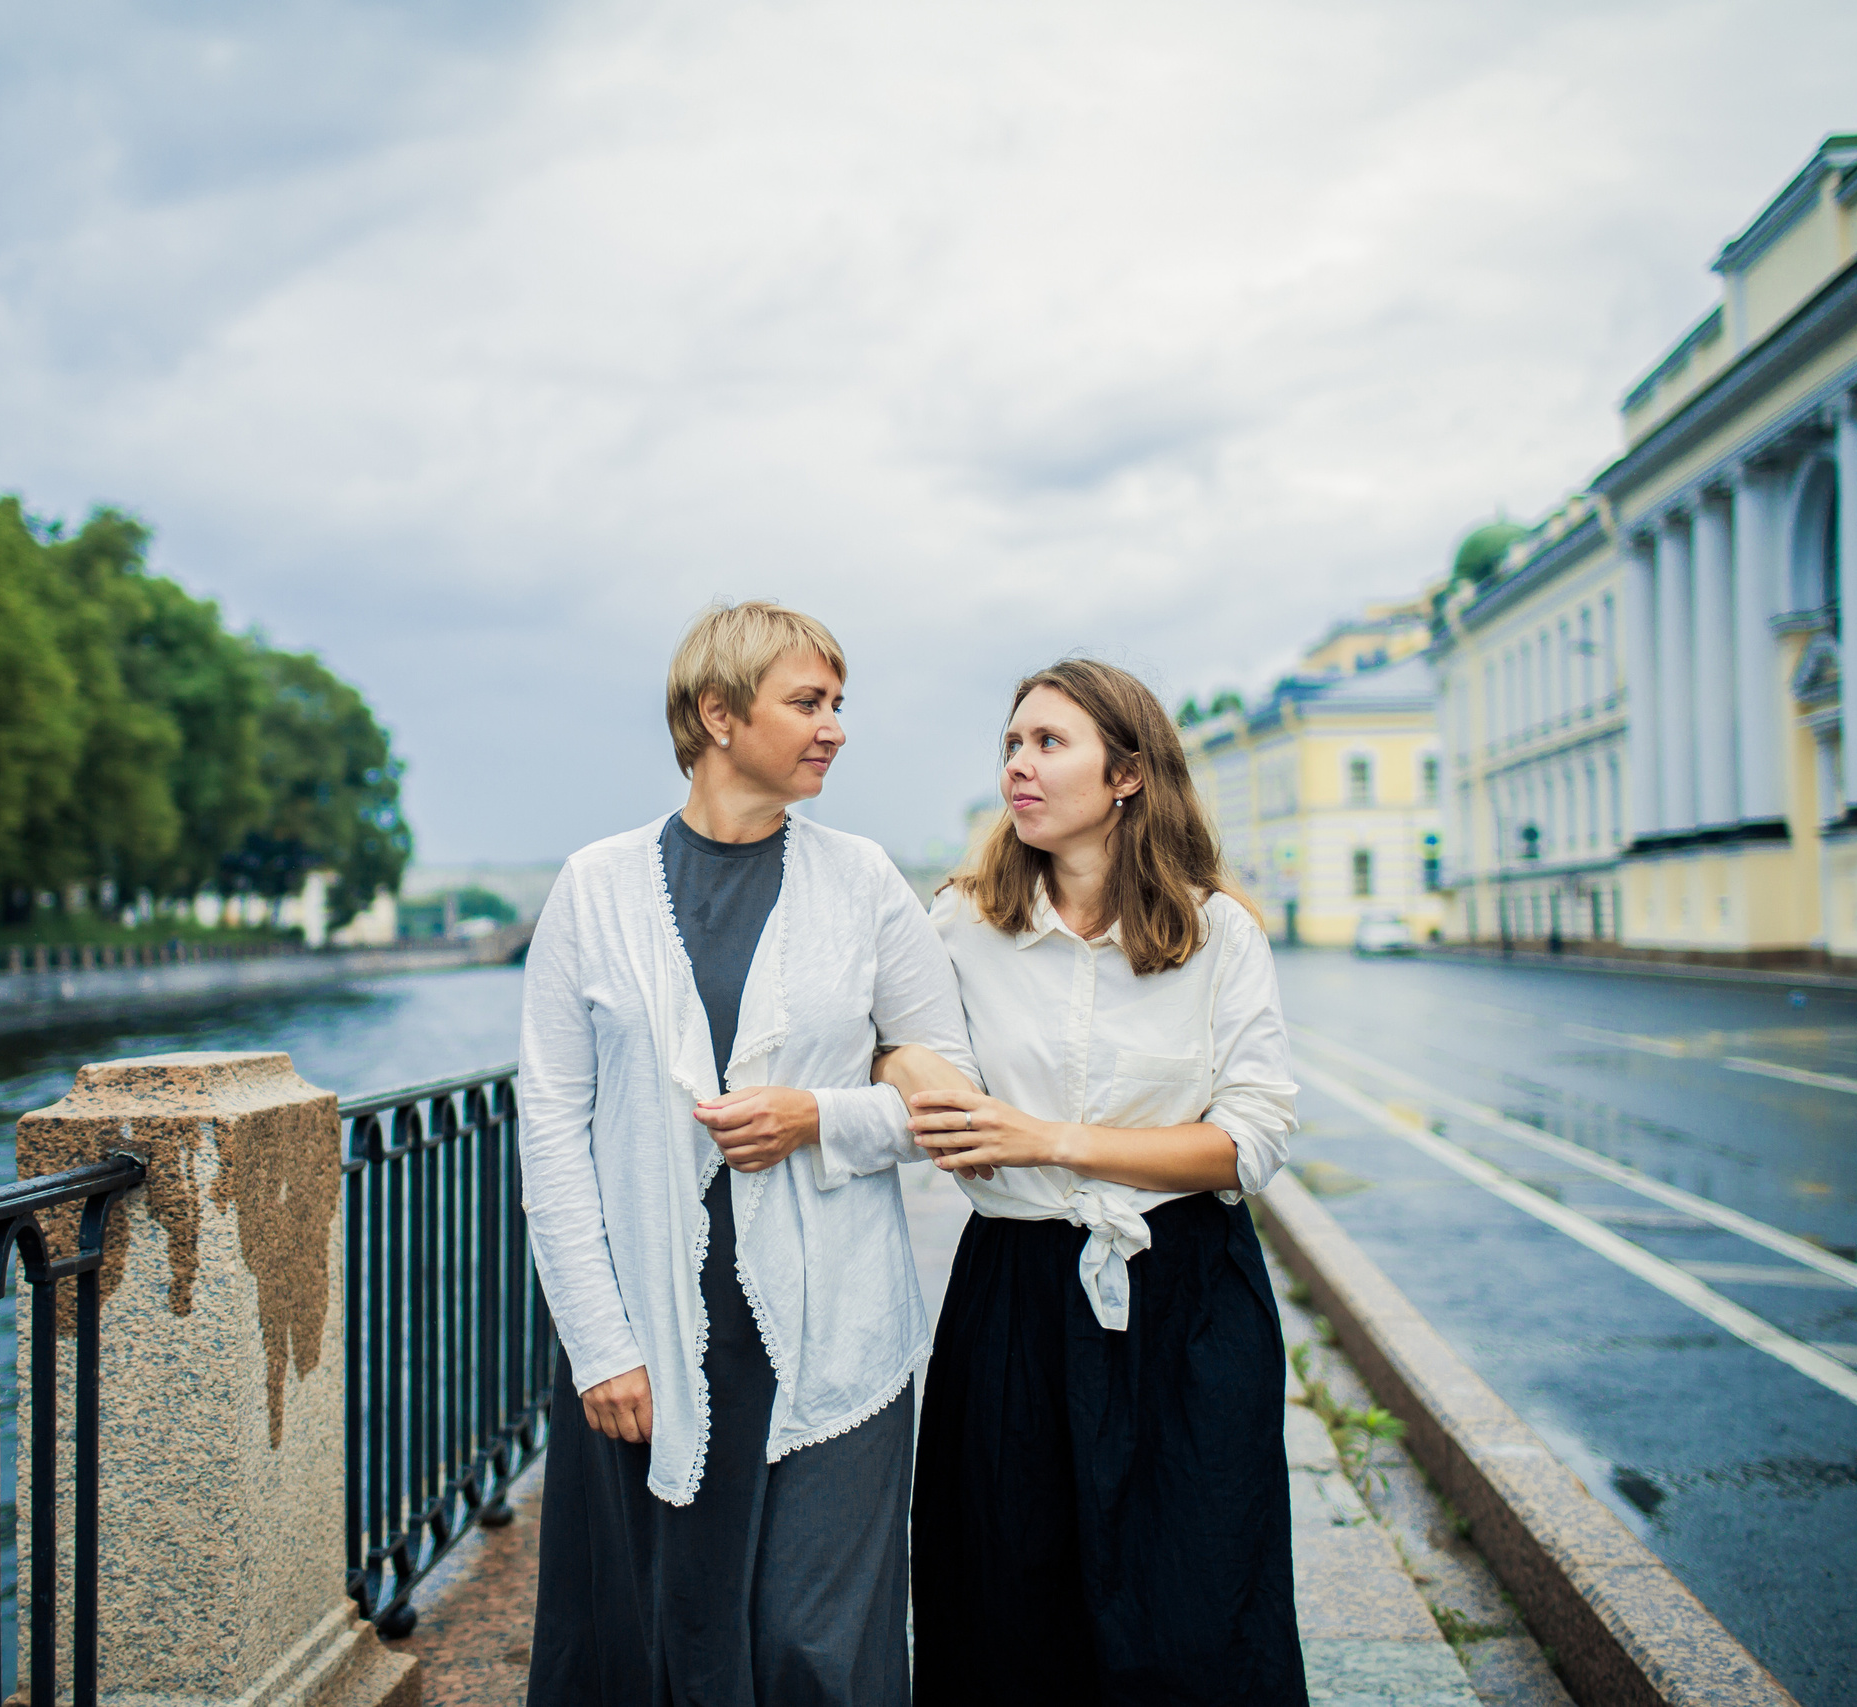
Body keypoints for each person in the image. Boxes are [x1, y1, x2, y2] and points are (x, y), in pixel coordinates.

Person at [519, 600, 974, 1707]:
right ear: (718, 715)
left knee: (811, 1650)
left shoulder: (864, 881)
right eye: (808, 703)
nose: (835, 728)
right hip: (652, 1334)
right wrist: (601, 1347)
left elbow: (952, 1096)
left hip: (836, 1325)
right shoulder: (593, 887)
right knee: (663, 1641)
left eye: (837, 704)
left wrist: (821, 1117)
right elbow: (550, 1129)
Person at [879, 657, 1305, 1706]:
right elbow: (890, 1048)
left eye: (1047, 743)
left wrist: (1051, 1139)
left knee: (1195, 1597)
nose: (1018, 766)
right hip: (1014, 1296)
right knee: (1007, 1598)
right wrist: (909, 1073)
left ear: (1124, 774)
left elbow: (1249, 1140)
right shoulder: (963, 926)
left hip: (1187, 1293)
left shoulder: (1217, 934)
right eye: (1011, 745)